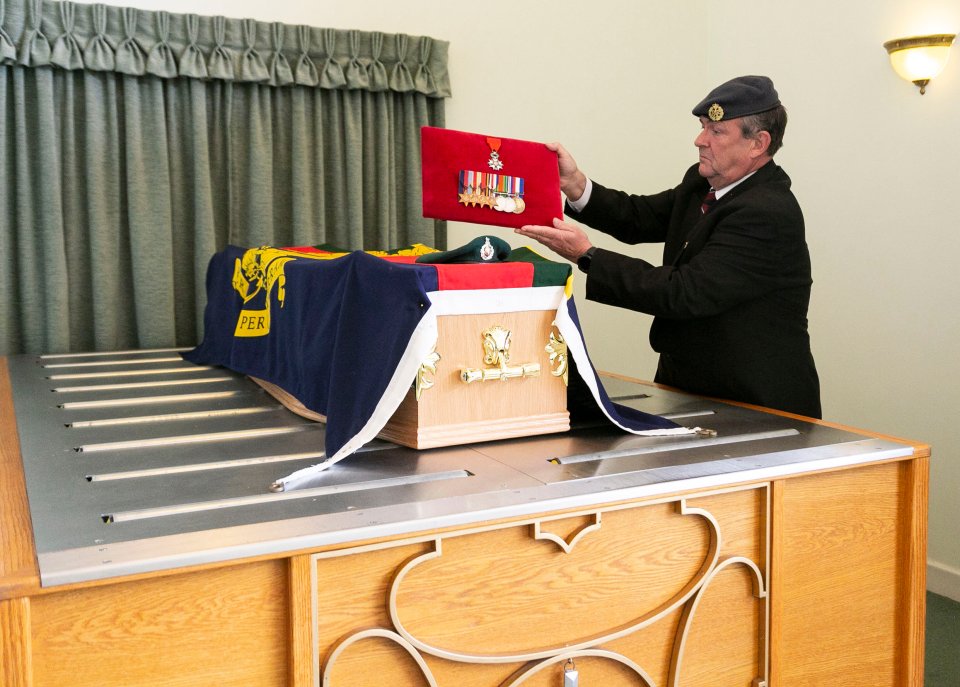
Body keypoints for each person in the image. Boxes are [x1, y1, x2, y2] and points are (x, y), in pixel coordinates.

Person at [515, 75, 821, 418]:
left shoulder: (767, 212)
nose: (699, 140)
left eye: (716, 132)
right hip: (689, 387)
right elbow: (639, 217)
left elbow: (684, 292)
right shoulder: (701, 182)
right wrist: (575, 185)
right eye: (703, 126)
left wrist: (587, 256)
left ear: (758, 143)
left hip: (755, 402)